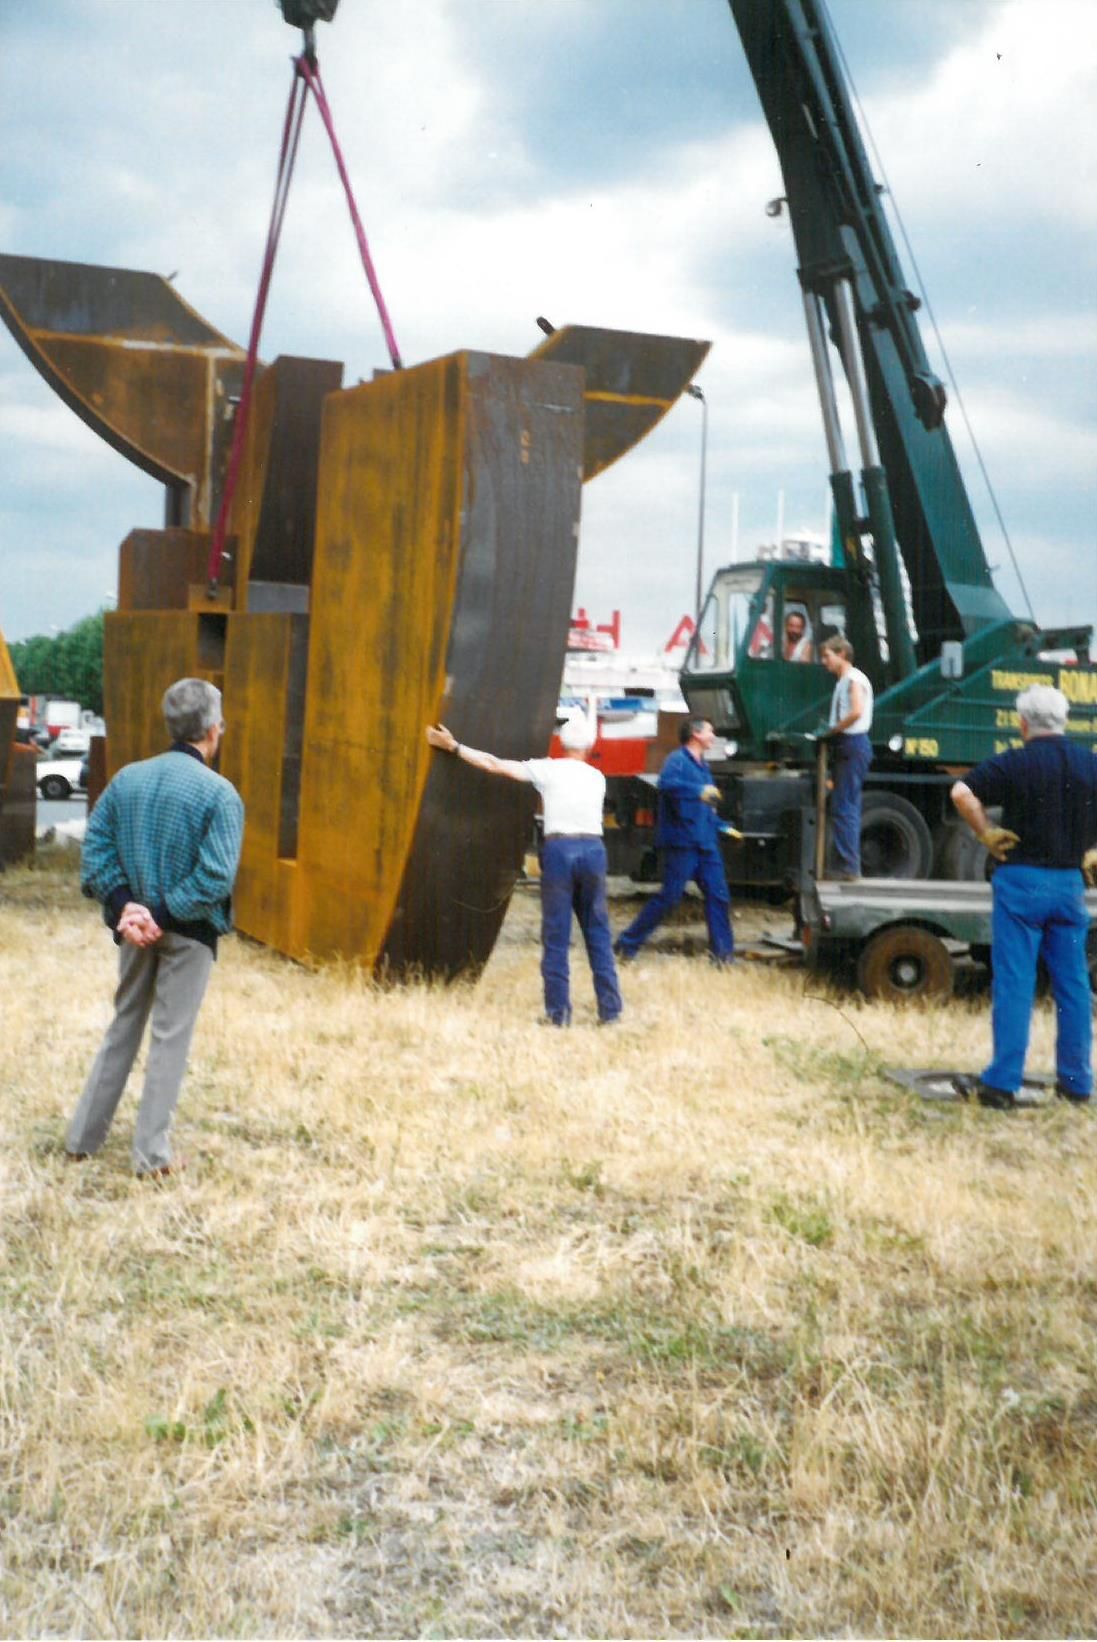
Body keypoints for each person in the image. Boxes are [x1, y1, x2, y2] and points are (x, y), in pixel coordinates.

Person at [65, 678, 244, 1175]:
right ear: (213, 729)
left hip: (133, 929)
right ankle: (151, 1156)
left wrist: (128, 909)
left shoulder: (127, 780)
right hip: (188, 934)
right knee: (170, 1037)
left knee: (123, 1025)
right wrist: (159, 915)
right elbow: (215, 876)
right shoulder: (221, 795)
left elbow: (95, 851)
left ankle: (82, 1139)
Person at [950, 683, 1097, 1111]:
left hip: (1021, 883)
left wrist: (985, 832)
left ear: (1023, 724)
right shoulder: (1089, 763)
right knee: (1073, 984)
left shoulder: (1014, 762)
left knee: (1015, 981)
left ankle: (1002, 1083)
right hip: (1069, 885)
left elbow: (961, 792)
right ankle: (1077, 1083)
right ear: (1065, 720)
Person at [425, 715, 622, 1027]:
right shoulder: (597, 777)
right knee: (597, 931)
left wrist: (455, 747)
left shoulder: (548, 769)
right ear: (590, 745)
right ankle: (610, 1011)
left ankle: (558, 1014)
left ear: (561, 742)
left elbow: (494, 764)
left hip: (560, 850)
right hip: (593, 850)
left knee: (556, 936)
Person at [613, 716, 735, 964]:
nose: (713, 736)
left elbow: (707, 806)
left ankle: (723, 957)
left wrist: (722, 826)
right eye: (710, 732)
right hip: (682, 843)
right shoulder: (677, 760)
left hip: (706, 843)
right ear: (696, 734)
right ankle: (626, 945)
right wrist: (697, 791)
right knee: (670, 898)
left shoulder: (703, 766)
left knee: (719, 895)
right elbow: (666, 785)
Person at [820, 636, 874, 880]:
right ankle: (847, 864)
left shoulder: (853, 679)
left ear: (841, 653)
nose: (824, 661)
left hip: (852, 743)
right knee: (846, 804)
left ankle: (848, 867)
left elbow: (856, 711)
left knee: (844, 806)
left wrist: (834, 730)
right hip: (850, 745)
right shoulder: (845, 680)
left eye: (827, 656)